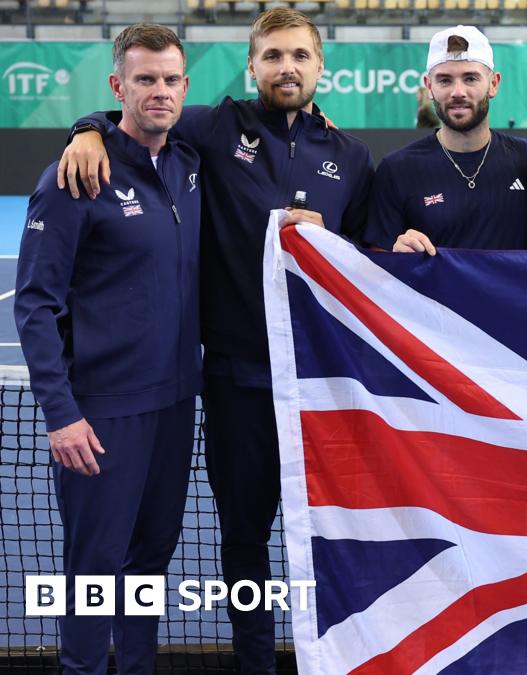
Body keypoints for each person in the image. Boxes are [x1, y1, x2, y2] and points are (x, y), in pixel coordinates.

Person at [57, 8, 373, 673]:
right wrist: (87, 130)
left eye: (299, 56)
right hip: (236, 384)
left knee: (338, 538)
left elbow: (365, 266)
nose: (287, 67)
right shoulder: (211, 127)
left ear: (321, 66)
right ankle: (257, 662)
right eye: (273, 56)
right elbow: (140, 112)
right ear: (251, 65)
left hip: (324, 388)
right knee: (244, 540)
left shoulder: (351, 156)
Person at [14, 23, 201, 674]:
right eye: (144, 79)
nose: (159, 91)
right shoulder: (75, 176)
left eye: (170, 79)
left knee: (150, 557)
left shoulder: (189, 163)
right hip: (101, 415)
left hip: (176, 405)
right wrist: (60, 412)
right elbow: (36, 303)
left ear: (185, 86)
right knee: (93, 570)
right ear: (117, 86)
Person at [367, 25, 527, 255]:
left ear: (493, 84)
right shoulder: (397, 169)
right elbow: (376, 262)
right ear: (429, 87)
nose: (458, 92)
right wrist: (395, 256)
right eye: (445, 80)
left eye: (470, 78)